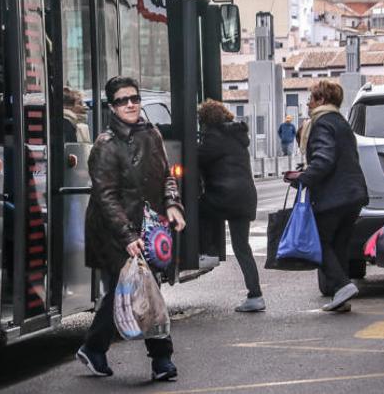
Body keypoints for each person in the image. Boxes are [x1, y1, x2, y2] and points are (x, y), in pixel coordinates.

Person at [78, 76, 186, 381]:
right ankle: (162, 360)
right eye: (123, 100)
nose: (130, 105)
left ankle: (94, 347)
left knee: (126, 291)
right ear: (112, 107)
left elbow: (166, 175)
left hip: (147, 226)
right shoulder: (105, 144)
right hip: (112, 231)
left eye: (134, 99)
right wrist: (127, 236)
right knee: (142, 290)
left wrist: (173, 204)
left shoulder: (151, 134)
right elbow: (105, 195)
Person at [284, 81, 368, 312]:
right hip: (353, 194)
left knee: (319, 241)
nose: (308, 102)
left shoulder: (322, 124)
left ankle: (341, 284)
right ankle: (340, 295)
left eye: (311, 97)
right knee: (339, 244)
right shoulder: (340, 122)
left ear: (321, 100)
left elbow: (324, 159)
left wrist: (303, 178)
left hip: (335, 196)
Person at [197, 100, 261, 312]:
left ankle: (208, 249)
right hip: (245, 196)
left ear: (206, 120)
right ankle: (255, 295)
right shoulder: (236, 135)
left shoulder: (214, 137)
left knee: (199, 209)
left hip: (226, 195)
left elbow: (197, 158)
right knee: (242, 248)